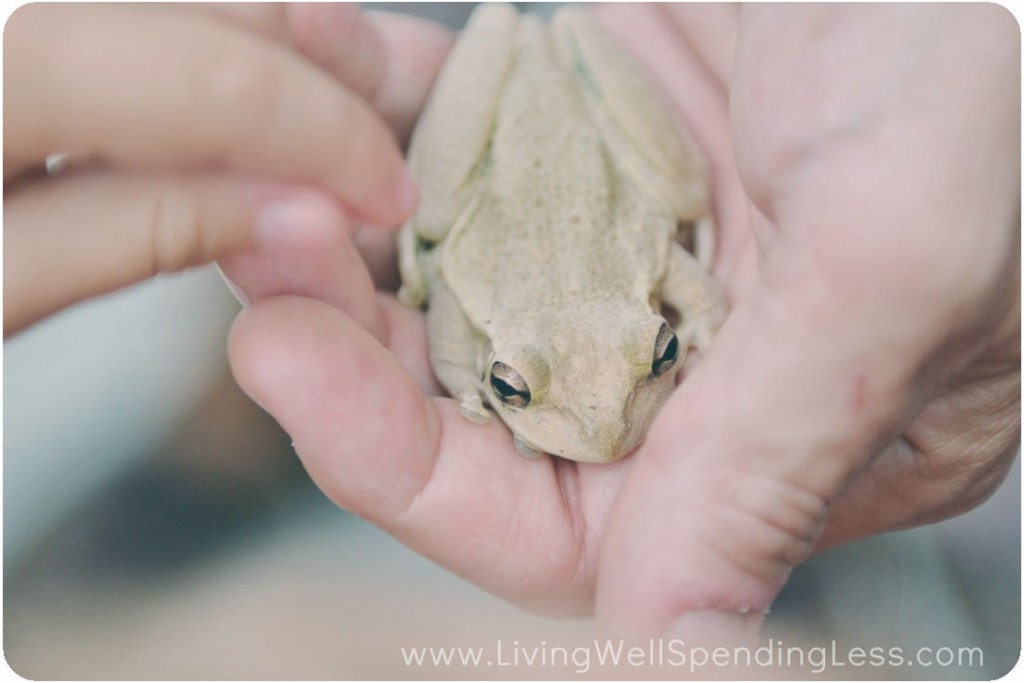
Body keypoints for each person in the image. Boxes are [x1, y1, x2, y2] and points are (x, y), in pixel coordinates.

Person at [6, 3, 1019, 645]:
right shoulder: (500, 330)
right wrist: (498, 378)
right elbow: (456, 311)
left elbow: (661, 275)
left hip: (597, 192)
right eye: (521, 388)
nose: (609, 426)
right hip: (508, 196)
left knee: (582, 200)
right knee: (432, 217)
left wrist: (684, 325)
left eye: (652, 361)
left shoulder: (636, 303)